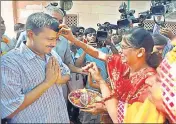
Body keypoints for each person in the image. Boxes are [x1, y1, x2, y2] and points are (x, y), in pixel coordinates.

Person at [58, 25, 160, 123]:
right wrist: (74, 40)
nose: (119, 50)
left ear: (140, 52)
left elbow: (123, 118)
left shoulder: (151, 82)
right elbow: (98, 53)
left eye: (124, 47)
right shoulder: (124, 64)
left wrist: (101, 84)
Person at [1, 12, 70, 123]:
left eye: (56, 39)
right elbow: (9, 111)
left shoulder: (52, 54)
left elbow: (67, 73)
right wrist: (47, 83)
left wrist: (58, 79)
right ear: (31, 34)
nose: (54, 44)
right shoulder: (10, 63)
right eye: (49, 39)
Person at [15, 2, 85, 104]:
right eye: (54, 19)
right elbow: (17, 59)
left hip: (58, 89)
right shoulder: (26, 35)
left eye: (60, 21)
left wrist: (81, 70)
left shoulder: (64, 40)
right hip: (32, 91)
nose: (57, 23)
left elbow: (67, 64)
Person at [74, 27, 109, 123]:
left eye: (94, 34)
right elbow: (77, 64)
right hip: (90, 84)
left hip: (103, 84)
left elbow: (109, 65)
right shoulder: (81, 50)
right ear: (85, 37)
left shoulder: (104, 49)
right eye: (90, 35)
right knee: (88, 109)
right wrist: (86, 49)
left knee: (101, 110)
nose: (93, 37)